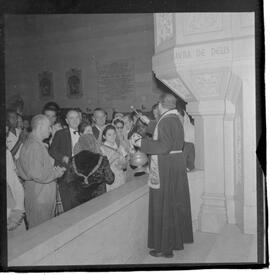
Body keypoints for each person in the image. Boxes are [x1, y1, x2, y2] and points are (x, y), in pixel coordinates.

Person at [131, 93, 193, 258]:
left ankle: (165, 248)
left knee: (164, 206)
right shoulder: (174, 118)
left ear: (161, 105)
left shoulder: (166, 121)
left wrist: (140, 143)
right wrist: (147, 122)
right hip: (174, 165)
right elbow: (163, 131)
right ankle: (174, 241)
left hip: (165, 168)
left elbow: (164, 146)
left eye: (158, 104)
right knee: (173, 204)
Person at [16, 115, 66, 228]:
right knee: (41, 232)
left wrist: (52, 169)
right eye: (49, 127)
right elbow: (37, 174)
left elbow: (27, 168)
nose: (50, 130)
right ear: (40, 127)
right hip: (40, 198)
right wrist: (56, 173)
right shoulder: (34, 146)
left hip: (40, 195)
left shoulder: (34, 143)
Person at [100, 124, 128, 191]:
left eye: (114, 134)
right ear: (104, 136)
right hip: (111, 179)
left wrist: (123, 165)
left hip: (121, 177)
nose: (112, 137)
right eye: (109, 135)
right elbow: (102, 168)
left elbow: (125, 166)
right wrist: (113, 158)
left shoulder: (120, 147)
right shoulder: (101, 149)